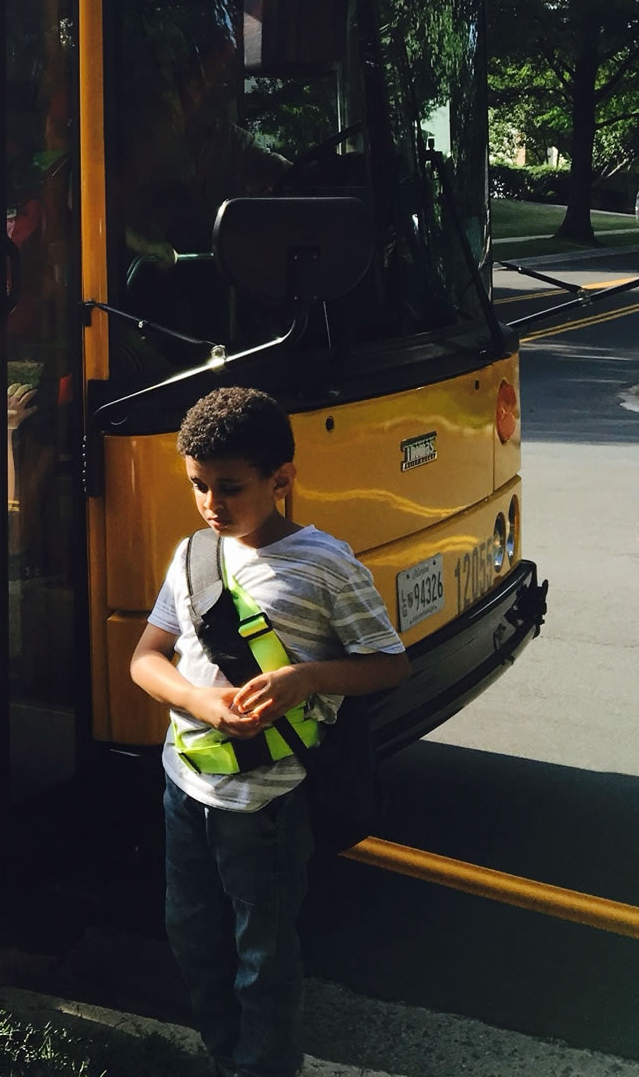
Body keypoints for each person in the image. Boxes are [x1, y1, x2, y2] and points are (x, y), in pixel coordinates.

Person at [129, 387, 409, 1077]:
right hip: (184, 787)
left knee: (264, 958)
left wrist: (305, 681)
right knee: (191, 937)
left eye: (231, 488)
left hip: (266, 804)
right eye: (199, 486)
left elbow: (389, 664)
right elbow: (144, 658)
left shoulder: (325, 563)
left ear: (282, 478)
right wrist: (200, 699)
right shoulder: (195, 555)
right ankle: (230, 1059)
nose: (211, 506)